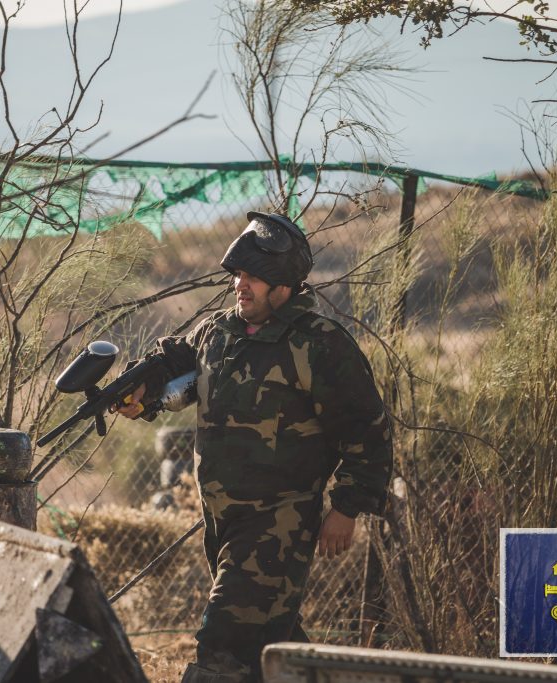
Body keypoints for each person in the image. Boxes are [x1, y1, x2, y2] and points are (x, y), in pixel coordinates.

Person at [115, 212, 393, 683]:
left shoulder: (319, 344)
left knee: (223, 644)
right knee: (270, 646)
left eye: (253, 277)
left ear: (283, 284)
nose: (240, 285)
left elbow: (368, 430)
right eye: (238, 274)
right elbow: (174, 360)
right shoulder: (218, 332)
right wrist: (140, 390)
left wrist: (347, 507)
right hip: (223, 522)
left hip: (278, 523)